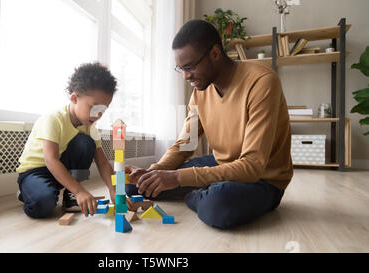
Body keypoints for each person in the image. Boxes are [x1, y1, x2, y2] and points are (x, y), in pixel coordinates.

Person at [126, 19, 293, 229]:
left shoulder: (262, 82)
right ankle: (206, 190)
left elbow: (252, 167)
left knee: (217, 206)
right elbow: (185, 145)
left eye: (191, 67)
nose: (186, 76)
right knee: (136, 188)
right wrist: (154, 170)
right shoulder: (200, 93)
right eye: (181, 69)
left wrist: (178, 178)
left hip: (263, 180)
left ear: (215, 53)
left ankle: (200, 195)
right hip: (221, 165)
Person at [16, 62, 117, 218]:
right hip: (35, 172)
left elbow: (102, 162)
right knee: (43, 204)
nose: (98, 116)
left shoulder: (90, 127)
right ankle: (27, 193)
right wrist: (80, 191)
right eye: (94, 108)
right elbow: (51, 160)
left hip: (61, 168)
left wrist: (114, 189)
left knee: (86, 142)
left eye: (103, 111)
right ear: (74, 98)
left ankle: (70, 196)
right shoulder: (53, 119)